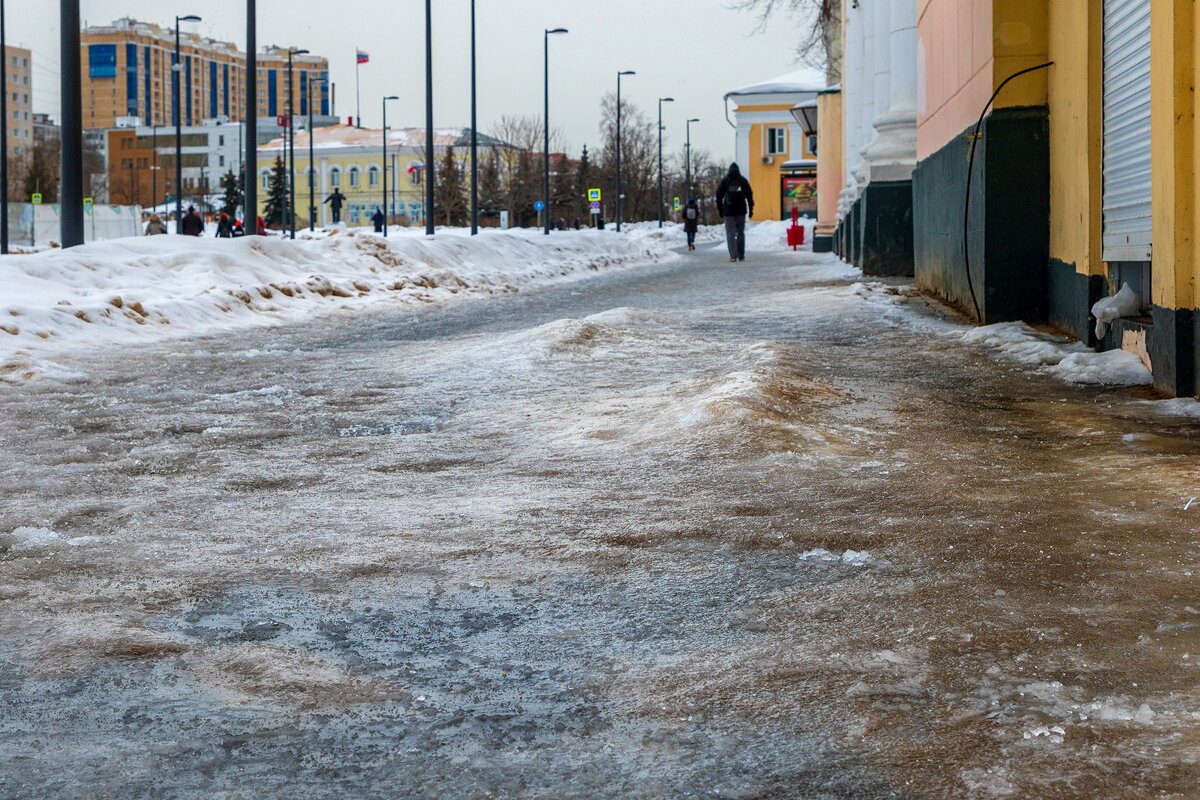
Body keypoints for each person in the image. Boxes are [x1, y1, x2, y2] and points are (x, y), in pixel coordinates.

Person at [715, 163, 754, 262]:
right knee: (740, 233)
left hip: (728, 211)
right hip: (741, 211)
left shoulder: (725, 181)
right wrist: (751, 210)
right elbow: (749, 195)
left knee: (730, 234)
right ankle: (741, 255)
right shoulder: (742, 180)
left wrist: (720, 210)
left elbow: (719, 196)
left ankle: (733, 256)